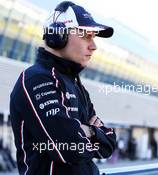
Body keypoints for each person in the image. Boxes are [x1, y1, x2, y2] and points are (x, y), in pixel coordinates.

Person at [9, 1, 116, 175]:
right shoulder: (35, 79)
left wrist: (87, 130)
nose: (94, 46)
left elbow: (108, 145)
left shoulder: (74, 82)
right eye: (86, 35)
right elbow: (71, 149)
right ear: (57, 35)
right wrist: (90, 132)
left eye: (94, 37)